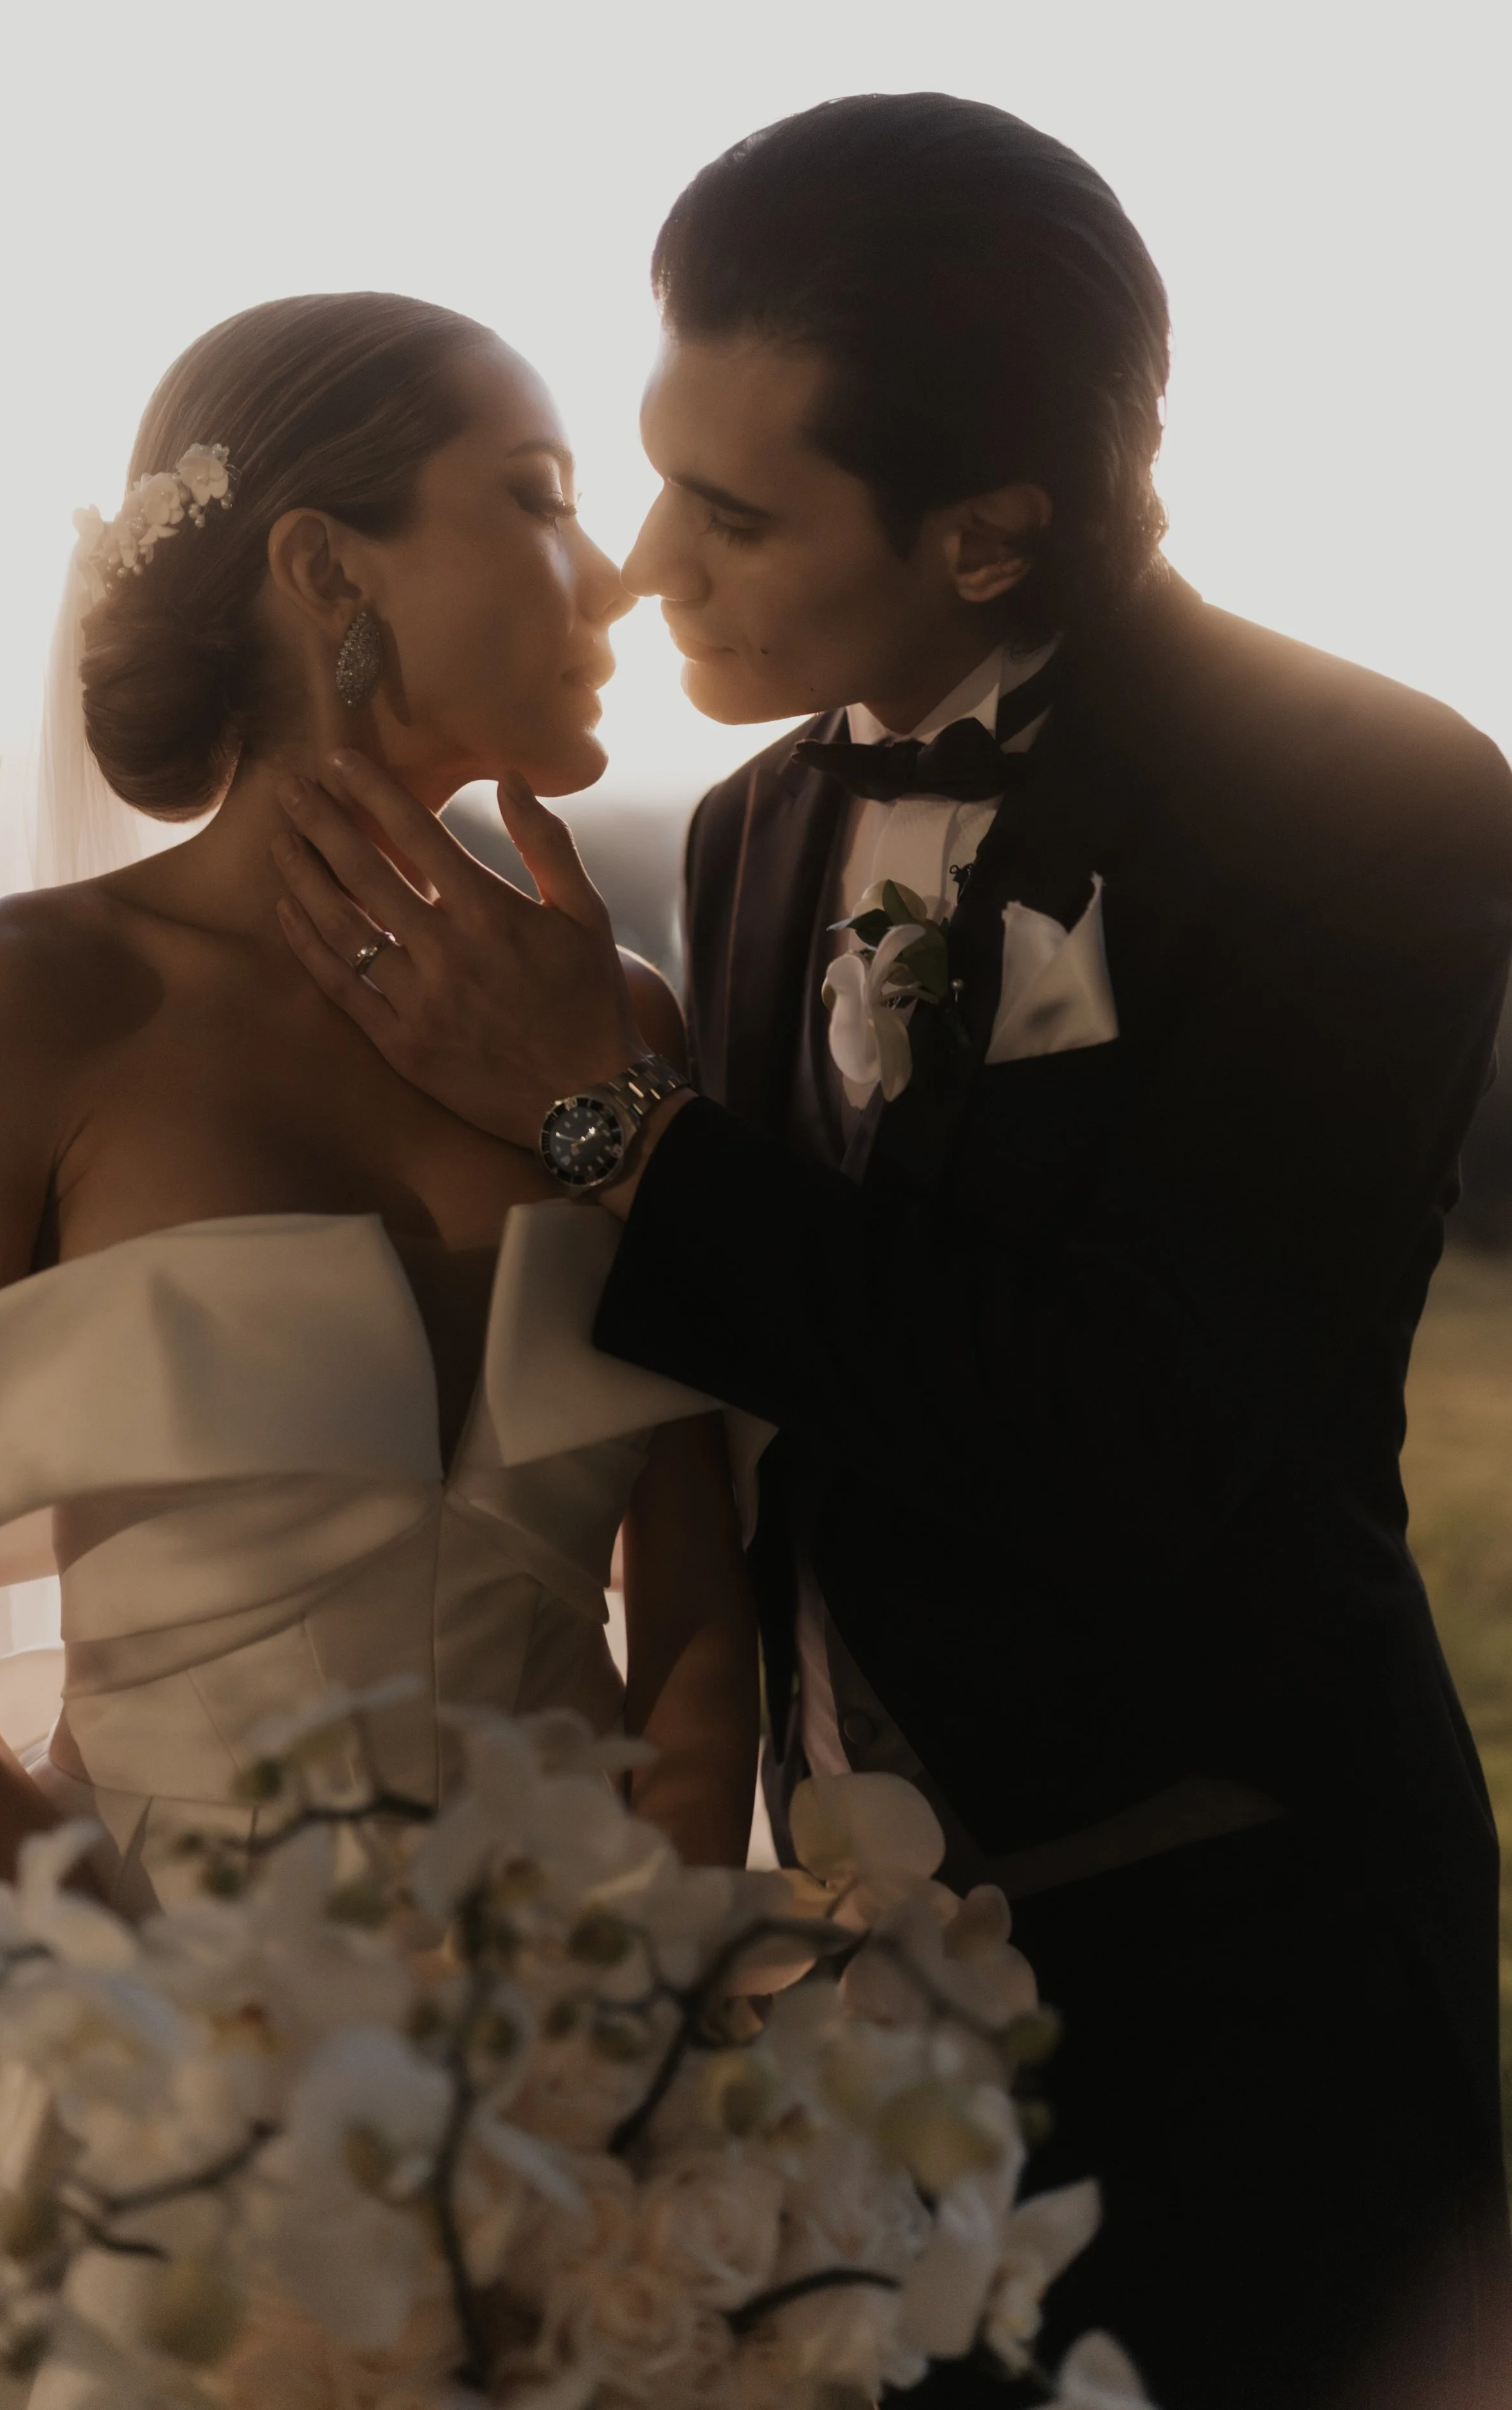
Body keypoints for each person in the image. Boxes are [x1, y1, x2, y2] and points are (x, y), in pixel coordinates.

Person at [271, 98, 1512, 2410]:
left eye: (731, 512)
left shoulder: (1381, 809)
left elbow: (1140, 1431)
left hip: (1239, 1985)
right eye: (647, 475)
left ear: (988, 533)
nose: (644, 569)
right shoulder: (745, 834)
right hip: (839, 2003)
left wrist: (615, 1120)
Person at [0, 291, 761, 1943]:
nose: (618, 577)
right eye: (537, 495)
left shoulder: (618, 1021)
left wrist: (644, 2015)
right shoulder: (24, 1004)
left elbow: (693, 1628)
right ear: (324, 570)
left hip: (589, 2081)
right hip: (153, 2077)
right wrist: (137, 2025)